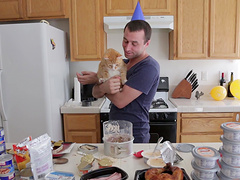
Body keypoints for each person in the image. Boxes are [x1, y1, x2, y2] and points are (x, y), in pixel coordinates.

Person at [77, 19, 160, 143]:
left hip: (134, 135)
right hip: (114, 131)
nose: (127, 47)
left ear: (146, 44)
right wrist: (102, 84)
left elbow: (120, 101)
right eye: (125, 41)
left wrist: (100, 82)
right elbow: (95, 93)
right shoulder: (121, 63)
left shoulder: (148, 67)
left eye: (134, 43)